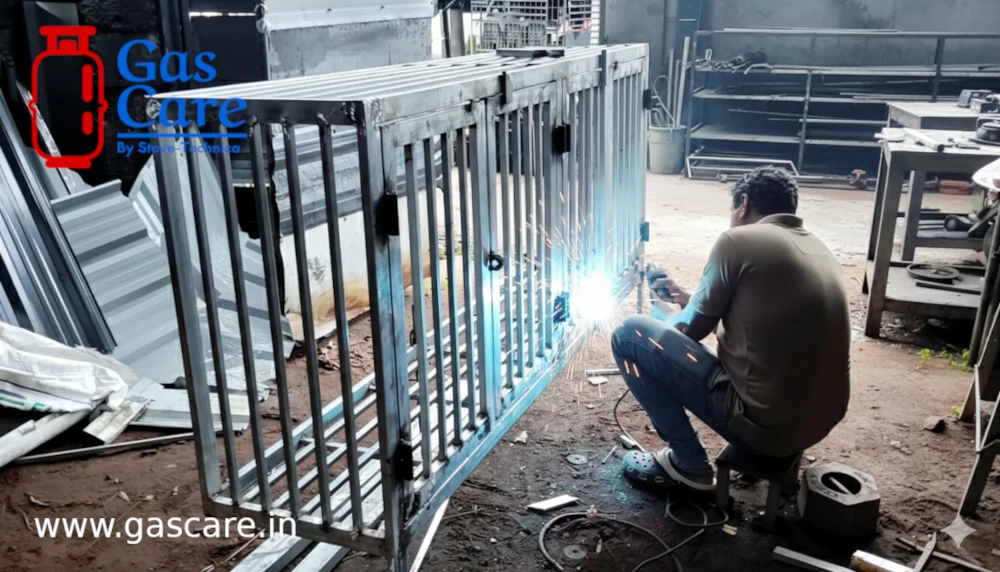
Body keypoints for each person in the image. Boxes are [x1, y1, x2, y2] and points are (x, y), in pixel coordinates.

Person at [611, 166, 850, 493]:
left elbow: (688, 331)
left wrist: (664, 313)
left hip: (764, 431)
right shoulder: (817, 248)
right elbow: (755, 310)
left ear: (743, 203)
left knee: (629, 335)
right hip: (816, 423)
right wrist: (685, 297)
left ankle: (688, 464)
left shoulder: (737, 240)